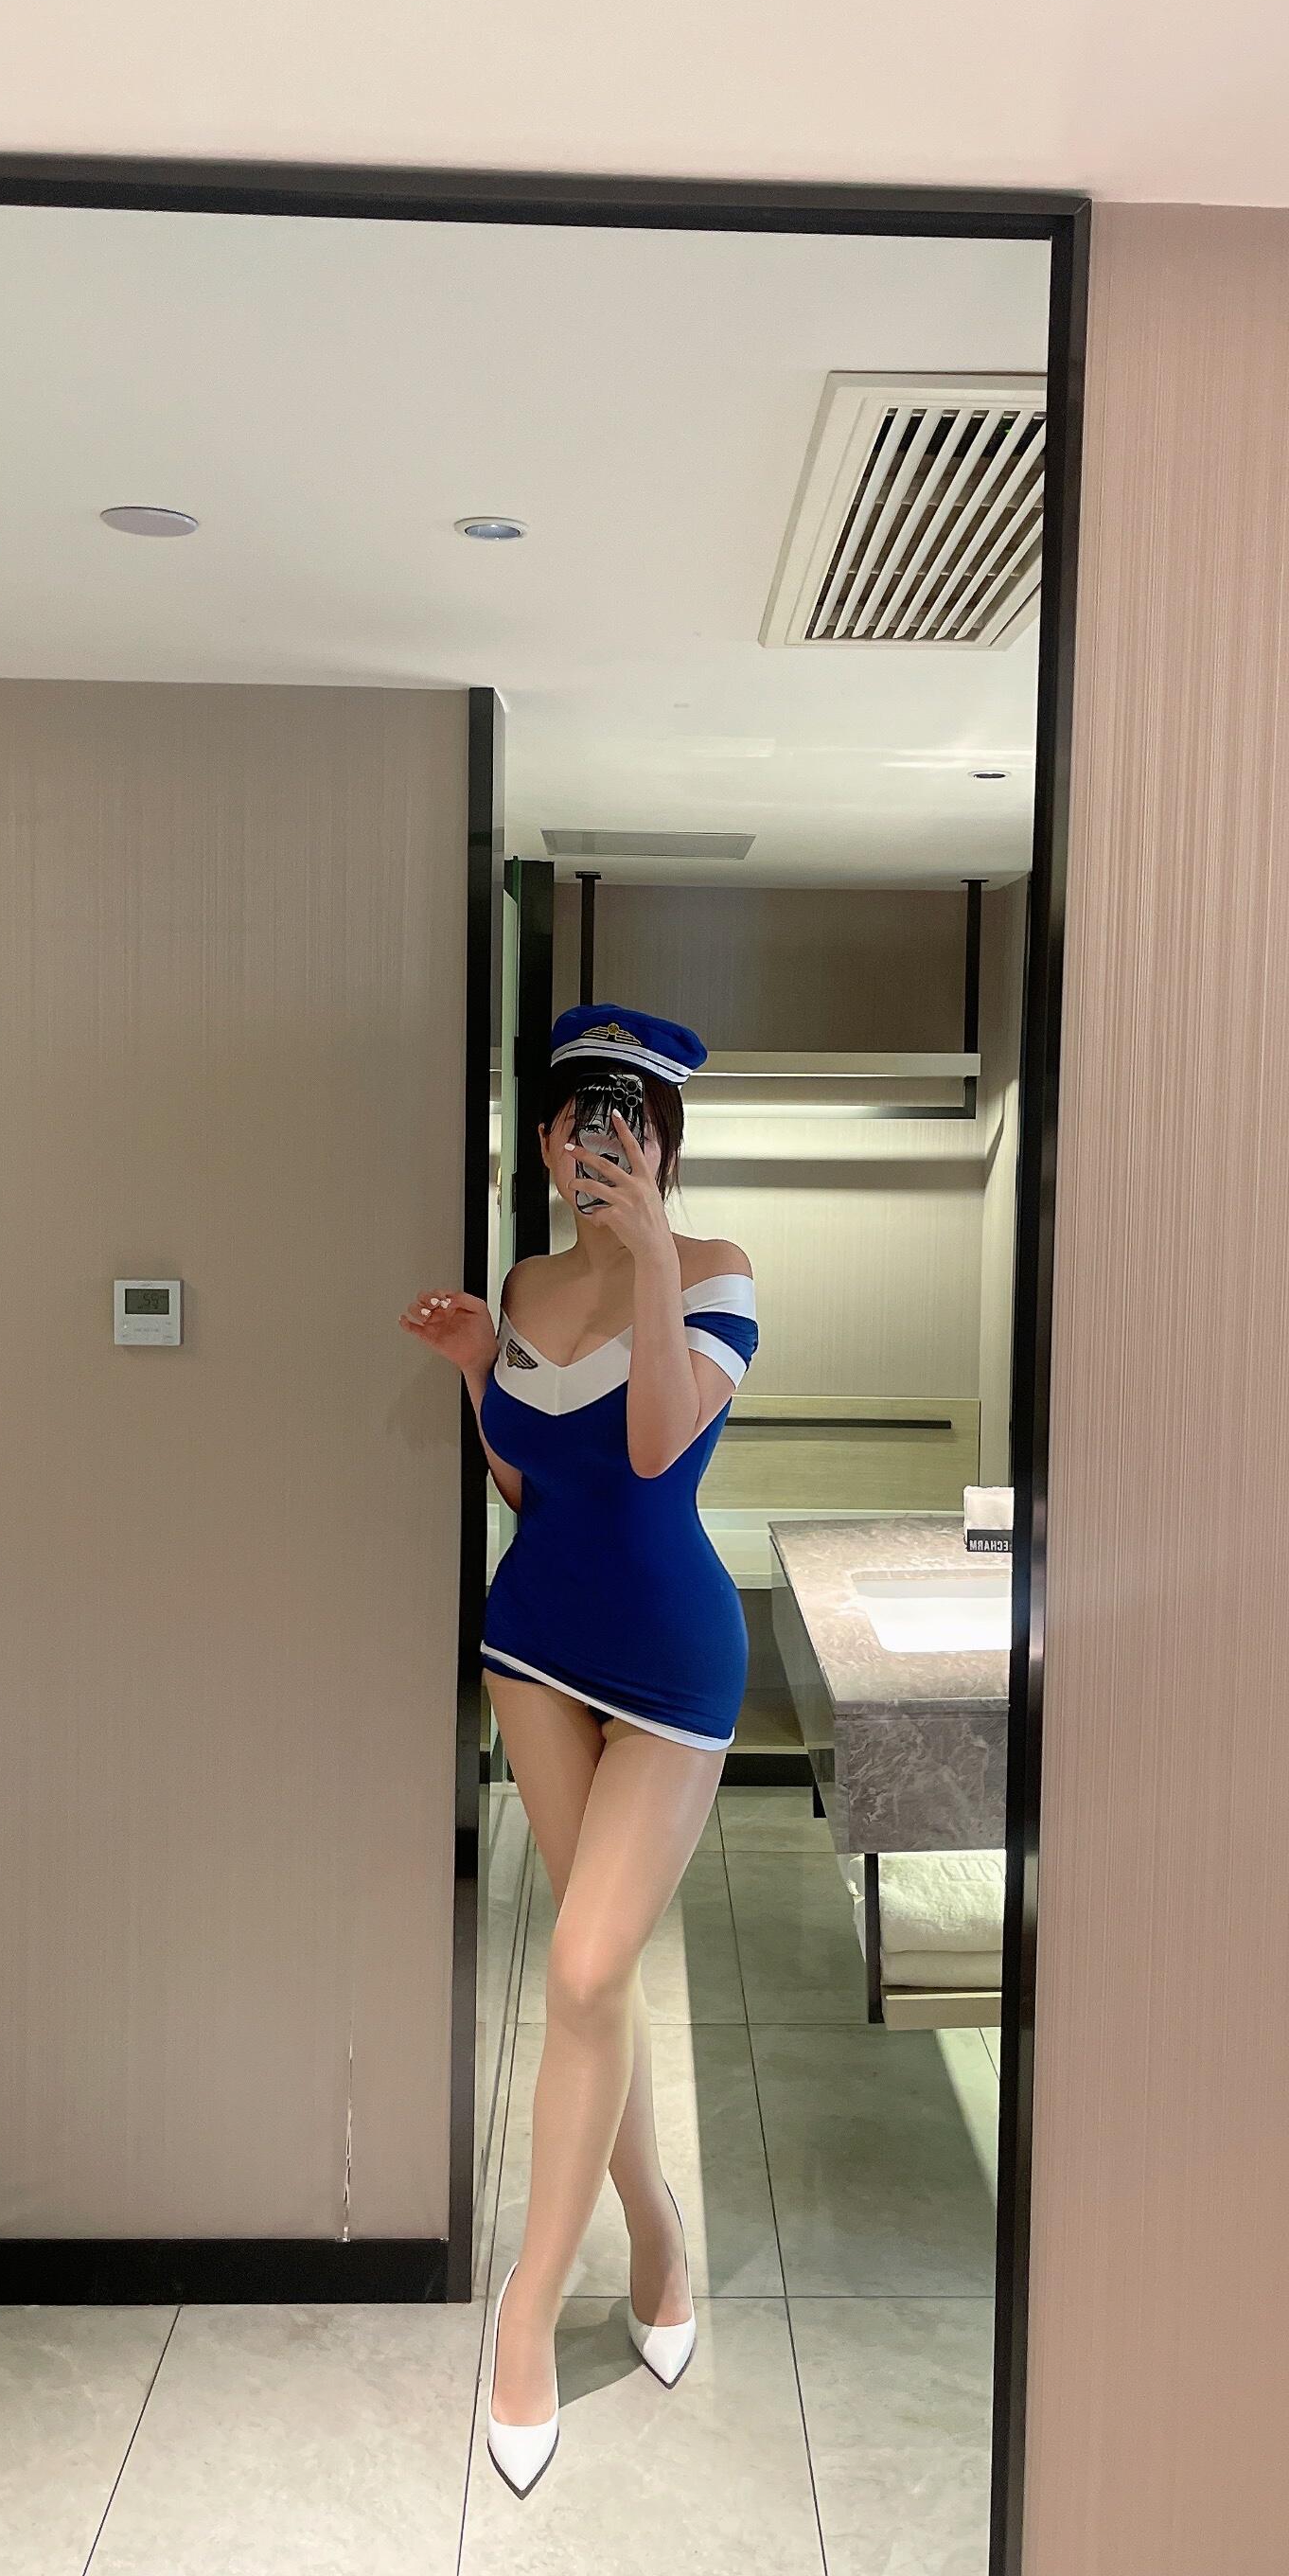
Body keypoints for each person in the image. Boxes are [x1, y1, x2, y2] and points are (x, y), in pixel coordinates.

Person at [399, 1002, 757, 2496]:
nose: (595, 1143)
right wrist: (480, 1363)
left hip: (672, 1665)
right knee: (591, 1980)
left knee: (584, 1970)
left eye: (624, 1121)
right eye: (573, 1120)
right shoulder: (528, 1279)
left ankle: (529, 2314)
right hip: (533, 1646)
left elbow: (656, 1452)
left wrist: (657, 1260)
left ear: (663, 1140)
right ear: (544, 1141)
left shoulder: (718, 1270)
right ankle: (659, 2241)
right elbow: (528, 1482)